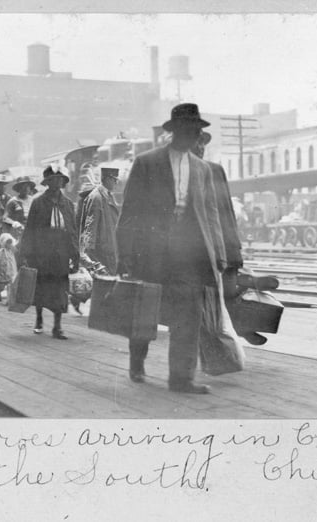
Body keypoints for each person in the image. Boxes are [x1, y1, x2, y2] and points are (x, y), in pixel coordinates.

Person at [116, 103, 226, 394]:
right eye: (189, 129)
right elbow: (130, 211)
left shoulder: (202, 169)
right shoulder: (146, 162)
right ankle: (136, 362)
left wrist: (219, 254)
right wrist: (125, 255)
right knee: (145, 312)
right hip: (151, 254)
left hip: (189, 257)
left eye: (197, 130)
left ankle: (181, 379)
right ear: (175, 131)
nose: (195, 135)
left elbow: (211, 214)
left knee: (189, 317)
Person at [19, 166, 79, 339]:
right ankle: (38, 319)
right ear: (47, 183)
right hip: (41, 254)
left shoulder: (67, 204)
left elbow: (72, 230)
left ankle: (57, 327)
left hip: (61, 254)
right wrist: (25, 254)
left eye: (60, 180)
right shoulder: (38, 202)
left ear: (62, 182)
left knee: (60, 289)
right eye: (53, 180)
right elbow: (30, 229)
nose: (57, 183)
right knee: (41, 287)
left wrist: (75, 255)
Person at [191, 132, 244, 292]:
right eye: (196, 143)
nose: (200, 148)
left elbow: (227, 212)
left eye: (202, 144)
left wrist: (235, 253)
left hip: (223, 249)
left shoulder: (215, 170)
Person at [80, 167, 120, 275]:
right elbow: (90, 228)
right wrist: (91, 258)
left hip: (109, 252)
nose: (116, 183)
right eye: (114, 179)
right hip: (102, 254)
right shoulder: (96, 198)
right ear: (106, 178)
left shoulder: (108, 196)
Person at [3, 175, 36, 240]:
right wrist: (14, 223)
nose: (25, 189)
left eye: (27, 186)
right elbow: (5, 218)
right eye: (23, 187)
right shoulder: (13, 201)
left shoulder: (33, 200)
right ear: (18, 189)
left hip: (33, 230)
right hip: (20, 232)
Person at [0, 233, 18, 302]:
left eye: (10, 243)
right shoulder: (0, 252)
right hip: (2, 271)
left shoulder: (11, 251)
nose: (9, 245)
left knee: (11, 285)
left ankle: (9, 299)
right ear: (4, 243)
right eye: (8, 243)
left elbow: (14, 259)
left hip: (10, 271)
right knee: (2, 287)